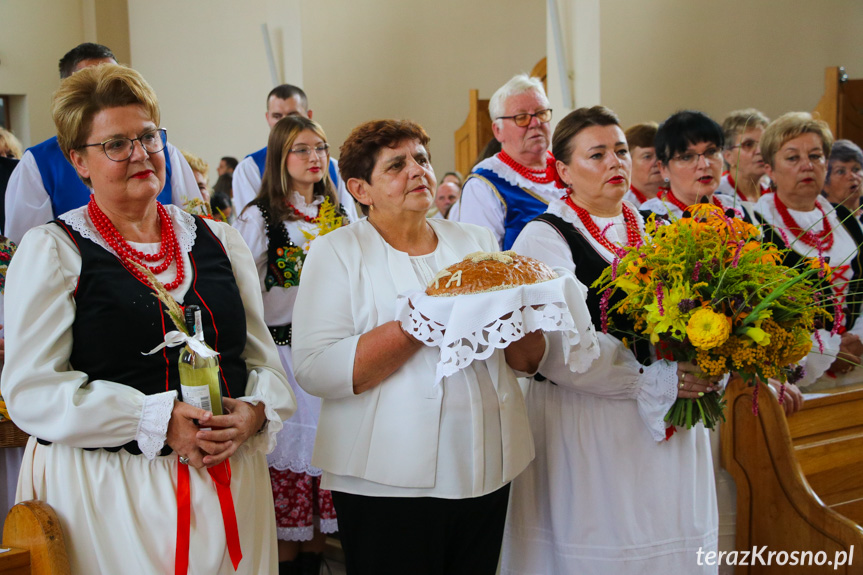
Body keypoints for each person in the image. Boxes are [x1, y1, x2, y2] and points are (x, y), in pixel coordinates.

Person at [0, 63, 296, 574]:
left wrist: (253, 413)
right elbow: (31, 391)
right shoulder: (53, 251)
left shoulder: (219, 242)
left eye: (148, 137)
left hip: (230, 487)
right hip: (113, 497)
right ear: (79, 162)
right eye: (116, 144)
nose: (140, 154)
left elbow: (259, 360)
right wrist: (150, 420)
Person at [292, 119, 546, 575]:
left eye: (422, 159)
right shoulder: (336, 252)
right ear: (360, 188)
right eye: (396, 165)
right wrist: (414, 324)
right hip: (387, 481)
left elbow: (525, 361)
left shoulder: (476, 242)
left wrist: (526, 303)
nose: (417, 171)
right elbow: (314, 369)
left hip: (486, 463)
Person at [503, 106, 720, 573]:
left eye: (620, 151)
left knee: (669, 536)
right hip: (590, 422)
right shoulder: (544, 239)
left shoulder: (661, 229)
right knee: (606, 543)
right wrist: (647, 380)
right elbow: (559, 348)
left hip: (668, 419)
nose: (615, 163)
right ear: (563, 169)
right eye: (597, 154)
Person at [234, 115, 349, 575]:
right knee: (289, 472)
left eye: (320, 148)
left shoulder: (339, 211)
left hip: (331, 353)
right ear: (281, 157)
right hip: (283, 354)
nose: (314, 157)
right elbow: (243, 292)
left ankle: (317, 559)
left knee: (321, 471)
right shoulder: (259, 215)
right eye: (302, 149)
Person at [4, 42, 204, 245]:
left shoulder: (164, 152)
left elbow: (197, 225)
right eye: (116, 144)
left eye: (112, 75)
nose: (140, 154)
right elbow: (23, 245)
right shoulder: (38, 164)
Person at [755, 112, 863, 389]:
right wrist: (828, 351)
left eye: (816, 156)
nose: (807, 166)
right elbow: (758, 314)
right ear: (769, 168)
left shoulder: (846, 220)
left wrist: (859, 338)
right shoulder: (755, 227)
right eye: (793, 158)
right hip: (796, 378)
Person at [448, 74, 559, 249]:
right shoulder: (485, 185)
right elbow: (484, 262)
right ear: (497, 130)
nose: (535, 123)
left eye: (541, 113)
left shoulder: (569, 168)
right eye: (522, 117)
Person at [231, 84, 358, 224]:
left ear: (309, 116)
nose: (285, 122)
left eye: (293, 115)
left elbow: (348, 219)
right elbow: (255, 225)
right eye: (277, 116)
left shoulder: (332, 166)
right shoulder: (250, 168)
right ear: (268, 118)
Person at [642, 110, 750, 220]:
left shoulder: (736, 210)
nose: (704, 164)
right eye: (687, 157)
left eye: (711, 151)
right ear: (663, 168)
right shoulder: (652, 219)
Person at [717, 108, 771, 203]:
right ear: (728, 156)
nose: (759, 151)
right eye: (748, 144)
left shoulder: (772, 194)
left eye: (763, 143)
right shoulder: (717, 195)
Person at [623, 121, 663, 207]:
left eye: (661, 154)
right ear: (628, 163)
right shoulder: (622, 204)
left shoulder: (685, 194)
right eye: (647, 156)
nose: (657, 162)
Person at [822, 139, 863, 213]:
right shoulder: (823, 220)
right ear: (825, 185)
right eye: (841, 172)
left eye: (856, 169)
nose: (852, 176)